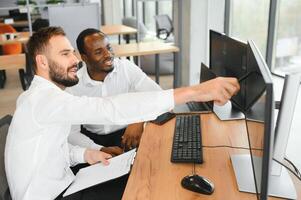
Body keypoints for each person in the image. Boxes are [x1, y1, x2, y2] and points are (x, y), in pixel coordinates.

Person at [5, 26, 240, 200]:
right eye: (65, 54)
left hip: (64, 184)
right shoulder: (43, 100)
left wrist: (88, 155)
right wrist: (195, 92)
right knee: (148, 187)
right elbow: (108, 109)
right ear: (42, 62)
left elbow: (55, 149)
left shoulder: (43, 97)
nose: (75, 60)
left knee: (145, 173)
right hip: (52, 195)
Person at [66, 28, 162, 156]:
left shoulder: (126, 68)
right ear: (84, 58)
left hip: (128, 133)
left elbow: (159, 96)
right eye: (98, 52)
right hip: (92, 139)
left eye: (109, 48)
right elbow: (72, 133)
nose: (108, 55)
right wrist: (98, 149)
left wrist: (139, 120)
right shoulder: (74, 86)